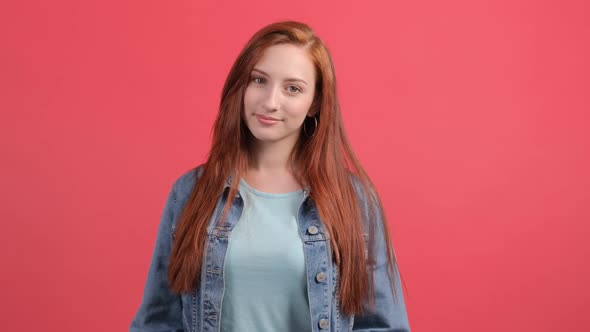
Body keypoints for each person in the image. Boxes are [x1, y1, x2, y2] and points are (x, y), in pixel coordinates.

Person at [130, 20, 410, 332]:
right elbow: (158, 322)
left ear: (315, 102)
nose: (270, 102)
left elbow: (382, 326)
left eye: (293, 88)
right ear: (241, 85)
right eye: (259, 80)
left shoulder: (354, 201)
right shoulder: (191, 192)